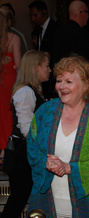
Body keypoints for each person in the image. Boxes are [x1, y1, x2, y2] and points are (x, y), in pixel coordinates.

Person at [24, 56, 89, 218]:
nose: (61, 86)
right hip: (48, 199)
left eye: (68, 81)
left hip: (85, 204)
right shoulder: (45, 112)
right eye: (59, 80)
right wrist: (45, 162)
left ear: (86, 85)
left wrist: (69, 167)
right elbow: (31, 144)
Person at [0, 50, 50, 218]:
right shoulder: (25, 92)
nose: (49, 69)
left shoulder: (33, 90)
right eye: (46, 65)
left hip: (26, 155)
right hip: (22, 156)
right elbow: (26, 128)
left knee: (19, 200)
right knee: (17, 202)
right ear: (36, 68)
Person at [0, 8, 21, 168]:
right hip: (9, 81)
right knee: (8, 116)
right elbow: (19, 65)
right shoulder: (14, 38)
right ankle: (5, 152)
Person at [28, 0, 60, 100]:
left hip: (52, 76)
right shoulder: (37, 30)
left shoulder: (56, 29)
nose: (33, 19)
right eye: (31, 16)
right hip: (40, 77)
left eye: (35, 15)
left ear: (44, 13)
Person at [51, 0, 89, 65]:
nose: (88, 16)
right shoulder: (82, 34)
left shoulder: (58, 32)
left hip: (60, 71)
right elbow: (85, 61)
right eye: (87, 12)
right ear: (82, 13)